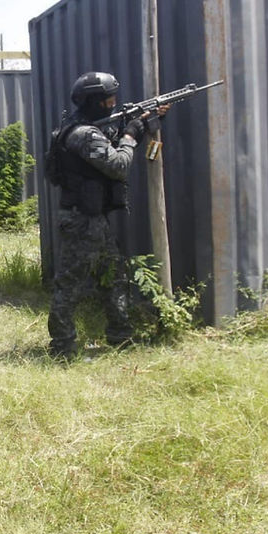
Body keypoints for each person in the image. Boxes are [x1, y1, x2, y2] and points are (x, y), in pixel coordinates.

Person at [46, 71, 169, 359]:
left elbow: (111, 138)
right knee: (69, 286)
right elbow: (118, 165)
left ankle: (121, 336)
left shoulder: (92, 127)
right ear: (92, 101)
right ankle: (62, 347)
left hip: (94, 220)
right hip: (81, 222)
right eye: (107, 99)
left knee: (114, 278)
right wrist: (131, 136)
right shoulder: (82, 134)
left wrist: (146, 120)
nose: (113, 103)